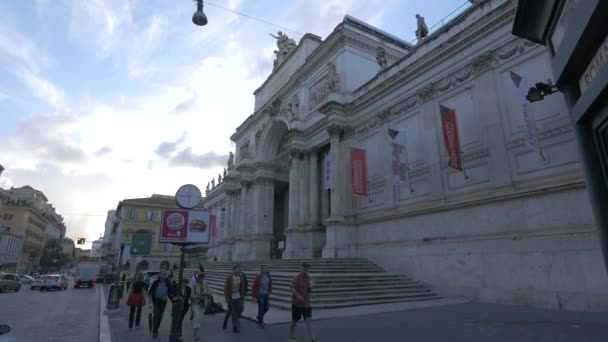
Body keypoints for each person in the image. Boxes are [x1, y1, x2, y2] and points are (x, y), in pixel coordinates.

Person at [288, 263, 315, 342]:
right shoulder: (297, 277)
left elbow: (309, 290)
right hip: (297, 304)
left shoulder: (308, 278)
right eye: (305, 268)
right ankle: (291, 336)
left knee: (309, 321)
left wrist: (312, 286)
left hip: (307, 303)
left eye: (307, 268)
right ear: (302, 268)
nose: (306, 269)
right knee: (294, 322)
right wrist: (298, 295)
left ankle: (313, 338)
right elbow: (291, 287)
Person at [148, 270, 173, 339]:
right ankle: (154, 331)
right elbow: (150, 292)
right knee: (156, 315)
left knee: (160, 316)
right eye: (161, 274)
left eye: (164, 274)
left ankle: (157, 328)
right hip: (156, 301)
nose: (163, 276)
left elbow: (170, 292)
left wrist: (171, 299)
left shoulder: (168, 282)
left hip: (163, 301)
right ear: (159, 275)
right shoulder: (155, 282)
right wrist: (150, 302)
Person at [223, 264, 248, 333]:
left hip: (238, 296)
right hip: (231, 297)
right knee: (232, 312)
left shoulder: (241, 277)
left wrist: (243, 294)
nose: (237, 270)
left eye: (239, 269)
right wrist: (226, 298)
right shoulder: (230, 277)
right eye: (236, 269)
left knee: (241, 308)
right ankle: (234, 326)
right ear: (233, 270)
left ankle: (234, 322)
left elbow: (243, 286)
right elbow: (226, 288)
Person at [191, 272, 210, 341]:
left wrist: (206, 293)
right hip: (196, 304)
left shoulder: (205, 284)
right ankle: (197, 334)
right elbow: (192, 296)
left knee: (200, 318)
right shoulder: (194, 285)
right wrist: (197, 296)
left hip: (203, 304)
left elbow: (209, 293)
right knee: (197, 317)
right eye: (200, 278)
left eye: (202, 278)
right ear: (198, 278)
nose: (201, 280)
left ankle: (195, 330)